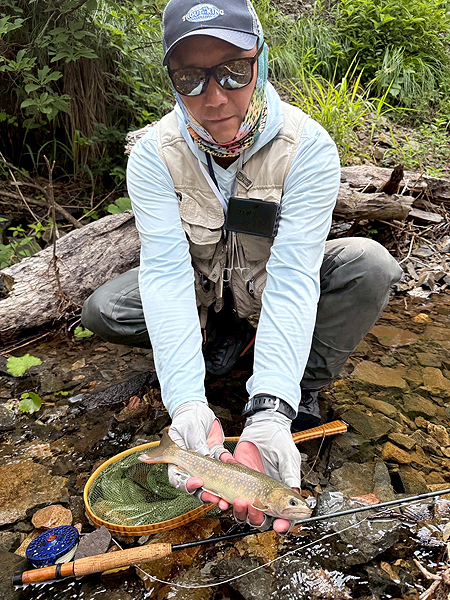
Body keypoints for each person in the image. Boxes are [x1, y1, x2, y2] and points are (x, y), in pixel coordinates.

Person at [81, 0, 402, 533]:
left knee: (371, 265)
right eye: (190, 78)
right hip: (203, 288)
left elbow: (294, 278)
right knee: (104, 309)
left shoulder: (308, 147)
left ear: (261, 61)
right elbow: (165, 276)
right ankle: (219, 346)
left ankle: (301, 384)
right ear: (171, 78)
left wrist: (271, 409)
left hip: (269, 283)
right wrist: (186, 402)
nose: (214, 97)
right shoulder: (154, 154)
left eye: (233, 70)